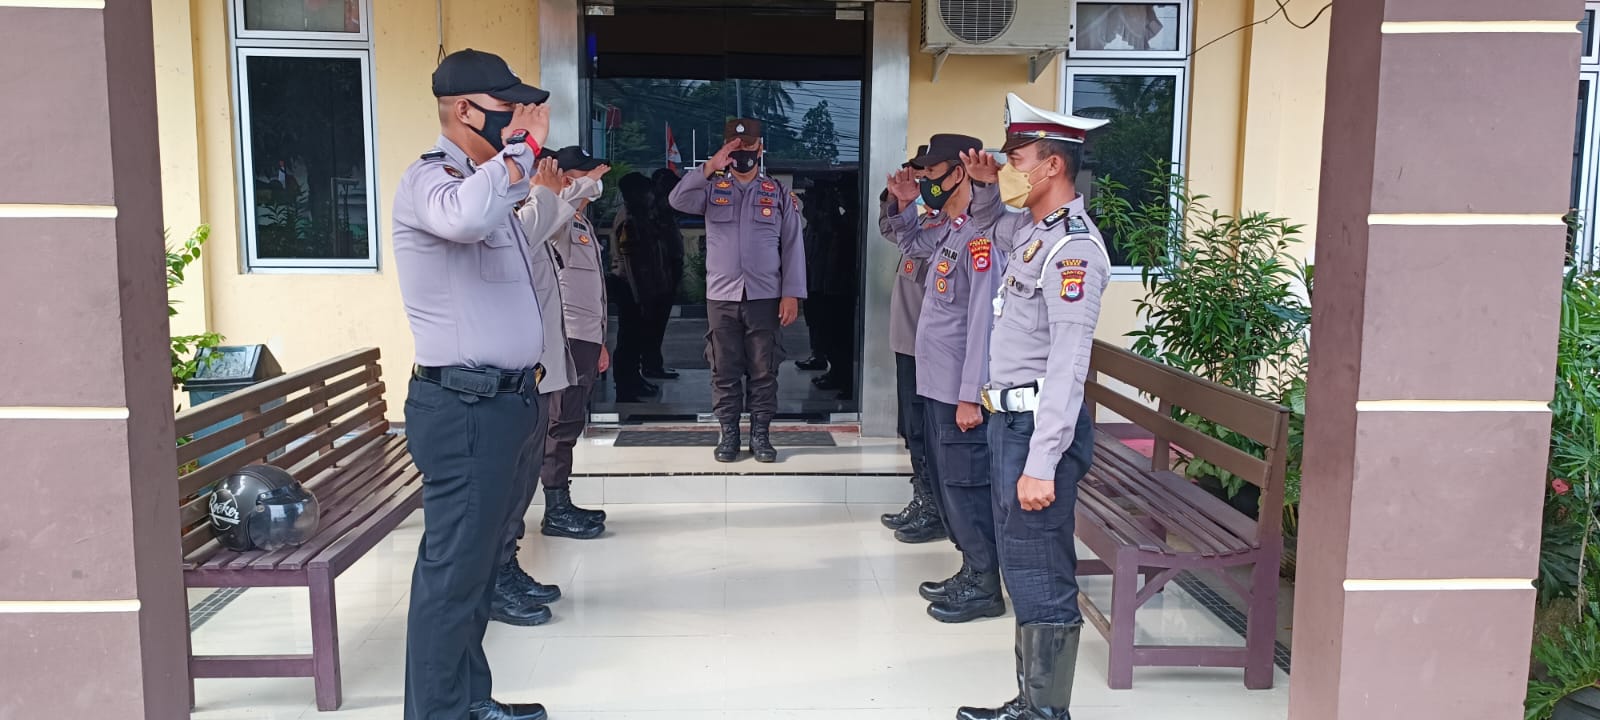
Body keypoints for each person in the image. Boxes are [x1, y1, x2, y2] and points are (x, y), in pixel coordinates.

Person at [391, 48, 553, 720]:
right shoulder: (430, 182)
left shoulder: (489, 183)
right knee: (453, 576)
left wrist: (518, 168)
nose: (517, 118)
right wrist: (522, 152)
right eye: (505, 108)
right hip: (463, 409)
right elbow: (462, 217)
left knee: (481, 570)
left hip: (509, 404)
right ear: (465, 110)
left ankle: (469, 702)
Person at [954, 93, 1111, 720]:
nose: (1007, 165)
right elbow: (991, 230)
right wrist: (990, 187)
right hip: (1009, 422)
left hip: (1038, 429)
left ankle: (1047, 713)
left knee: (1041, 570)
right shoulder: (1035, 233)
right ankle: (1031, 703)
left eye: (1016, 157)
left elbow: (1070, 367)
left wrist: (1041, 462)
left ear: (1051, 166)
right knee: (1023, 565)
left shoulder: (1073, 251)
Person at [881, 134, 1006, 624]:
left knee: (965, 480)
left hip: (958, 386)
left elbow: (981, 321)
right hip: (934, 378)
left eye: (932, 174)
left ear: (959, 173)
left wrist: (972, 393)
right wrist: (907, 203)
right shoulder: (953, 228)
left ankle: (983, 582)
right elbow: (910, 241)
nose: (926, 181)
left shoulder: (981, 235)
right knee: (948, 479)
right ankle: (970, 568)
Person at [668, 118, 806, 463]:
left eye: (749, 146)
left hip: (765, 295)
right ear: (727, 147)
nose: (743, 152)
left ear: (760, 148)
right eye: (736, 146)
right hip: (722, 296)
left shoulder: (776, 194)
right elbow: (676, 199)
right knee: (724, 368)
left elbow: (792, 245)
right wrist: (710, 167)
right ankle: (729, 434)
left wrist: (792, 293)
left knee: (764, 368)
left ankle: (761, 435)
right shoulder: (711, 189)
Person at [488, 154, 581, 628]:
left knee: (523, 479)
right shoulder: (504, 225)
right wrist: (543, 191)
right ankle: (496, 577)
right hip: (512, 375)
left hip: (535, 371)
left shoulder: (532, 221)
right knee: (509, 482)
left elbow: (563, 209)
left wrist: (554, 191)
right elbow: (527, 230)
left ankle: (508, 566)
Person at [527, 147, 612, 541]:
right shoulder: (556, 217)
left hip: (585, 337)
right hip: (566, 337)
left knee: (570, 422)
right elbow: (556, 203)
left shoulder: (580, 223)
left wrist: (600, 342)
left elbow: (592, 291)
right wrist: (579, 186)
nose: (593, 184)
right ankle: (556, 508)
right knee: (560, 425)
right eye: (582, 176)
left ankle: (562, 502)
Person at [879, 147, 933, 535]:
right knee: (912, 430)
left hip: (928, 348)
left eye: (922, 173)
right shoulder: (923, 220)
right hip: (907, 342)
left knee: (927, 432)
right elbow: (889, 229)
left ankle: (933, 506)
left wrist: (909, 205)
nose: (915, 179)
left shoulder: (948, 225)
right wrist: (896, 200)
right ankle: (923, 498)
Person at [609, 172, 664, 402]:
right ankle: (626, 386)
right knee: (628, 340)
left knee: (637, 338)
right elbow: (629, 262)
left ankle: (634, 379)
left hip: (639, 287)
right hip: (630, 287)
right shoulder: (629, 219)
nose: (650, 196)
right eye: (646, 192)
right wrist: (639, 295)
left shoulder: (641, 216)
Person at [644, 168, 687, 380]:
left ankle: (654, 363)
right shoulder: (653, 212)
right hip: (658, 274)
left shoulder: (666, 210)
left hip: (669, 270)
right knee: (653, 325)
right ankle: (651, 365)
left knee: (658, 324)